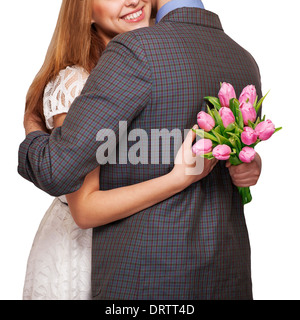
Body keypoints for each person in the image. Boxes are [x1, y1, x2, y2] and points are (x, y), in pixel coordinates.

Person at [19, 0, 262, 300]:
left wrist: (245, 159)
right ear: (83, 11)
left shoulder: (159, 57)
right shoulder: (79, 80)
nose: (132, 0)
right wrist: (31, 124)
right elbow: (82, 207)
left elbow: (181, 140)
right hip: (87, 252)